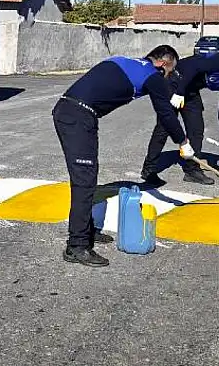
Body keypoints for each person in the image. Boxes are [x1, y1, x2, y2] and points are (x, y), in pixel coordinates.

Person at [52, 45, 194, 267]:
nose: (167, 77)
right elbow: (165, 113)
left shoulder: (129, 63)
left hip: (75, 113)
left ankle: (85, 231)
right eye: (169, 71)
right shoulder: (151, 74)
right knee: (84, 180)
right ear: (163, 64)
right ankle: (77, 246)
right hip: (77, 116)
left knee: (87, 177)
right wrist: (183, 141)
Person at [140, 51, 219, 186]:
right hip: (176, 80)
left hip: (191, 91)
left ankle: (192, 170)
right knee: (165, 127)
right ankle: (149, 170)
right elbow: (194, 66)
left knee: (196, 129)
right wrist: (179, 93)